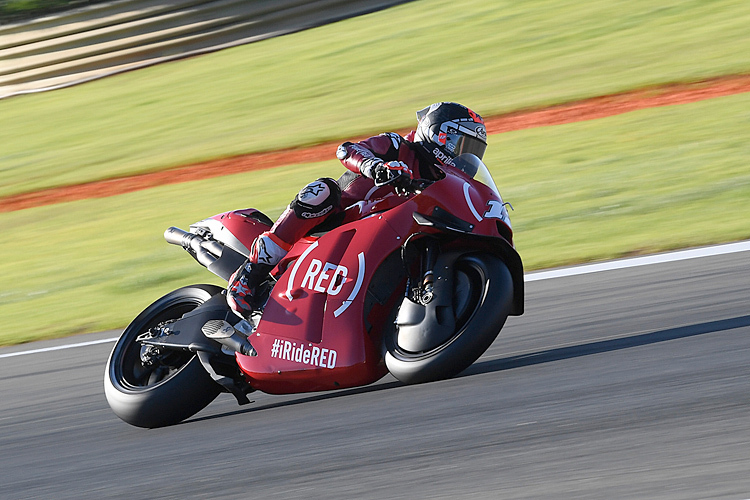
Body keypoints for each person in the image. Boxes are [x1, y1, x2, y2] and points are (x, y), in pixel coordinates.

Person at [227, 101, 488, 318]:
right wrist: (375, 166)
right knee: (322, 191)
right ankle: (252, 272)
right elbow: (347, 149)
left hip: (379, 241)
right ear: (438, 134)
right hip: (339, 220)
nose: (466, 157)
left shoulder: (442, 183)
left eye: (474, 151)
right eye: (463, 146)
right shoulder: (398, 147)